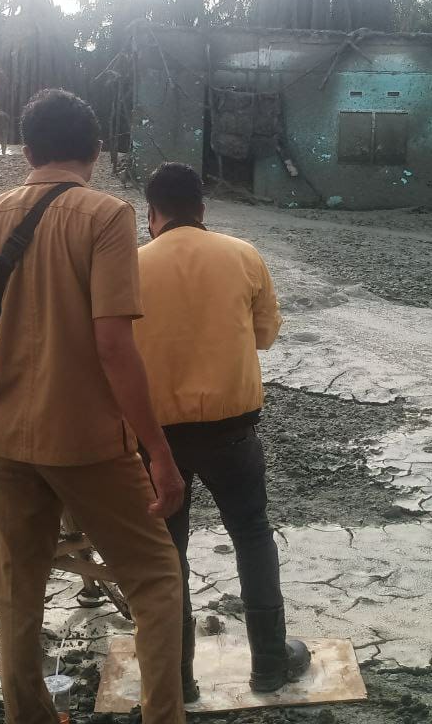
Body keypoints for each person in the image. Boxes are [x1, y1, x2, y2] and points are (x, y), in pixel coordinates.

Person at [0, 89, 188, 724]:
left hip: (6, 437)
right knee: (156, 581)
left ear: (26, 151)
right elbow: (112, 343)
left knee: (19, 587)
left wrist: (21, 343)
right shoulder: (105, 216)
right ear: (96, 153)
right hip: (84, 440)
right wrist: (158, 450)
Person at [132, 162, 311, 703]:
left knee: (169, 551)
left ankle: (178, 679)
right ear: (203, 210)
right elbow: (263, 337)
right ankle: (270, 667)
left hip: (158, 440)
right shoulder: (242, 254)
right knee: (252, 535)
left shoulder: (130, 265)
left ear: (151, 214)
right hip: (233, 432)